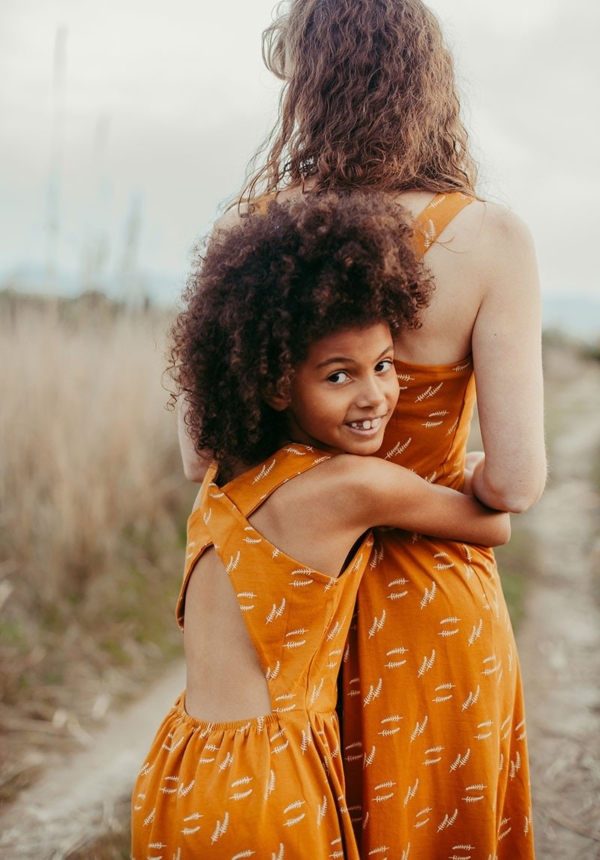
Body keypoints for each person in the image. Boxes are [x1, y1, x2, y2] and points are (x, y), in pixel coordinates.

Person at [178, 0, 547, 856]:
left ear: (304, 85)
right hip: (436, 610)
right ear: (427, 82)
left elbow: (201, 458)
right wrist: (429, 474)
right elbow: (517, 482)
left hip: (297, 612)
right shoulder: (488, 237)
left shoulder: (254, 237)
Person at [131, 193, 511, 860]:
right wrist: (462, 464)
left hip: (178, 769)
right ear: (279, 383)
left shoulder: (227, 475)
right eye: (341, 375)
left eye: (385, 365)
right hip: (269, 783)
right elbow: (493, 521)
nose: (374, 395)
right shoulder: (355, 486)